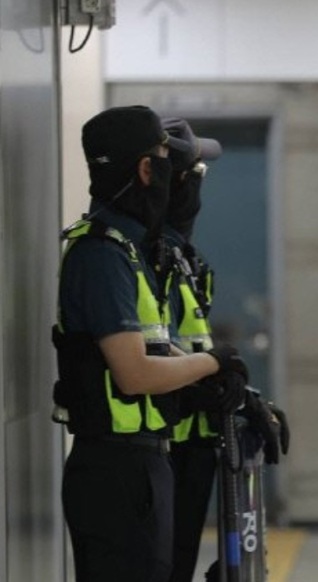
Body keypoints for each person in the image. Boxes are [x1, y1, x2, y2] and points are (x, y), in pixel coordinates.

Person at [53, 106, 248, 582]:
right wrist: (211, 362)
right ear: (146, 169)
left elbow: (157, 349)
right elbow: (135, 372)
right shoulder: (102, 254)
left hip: (141, 460)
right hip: (115, 468)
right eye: (165, 159)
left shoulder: (127, 250)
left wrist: (215, 369)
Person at [159, 118, 290, 582]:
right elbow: (145, 353)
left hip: (192, 445)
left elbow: (188, 344)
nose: (199, 187)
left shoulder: (182, 257)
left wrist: (241, 395)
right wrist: (204, 381)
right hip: (157, 451)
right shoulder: (138, 256)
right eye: (194, 174)